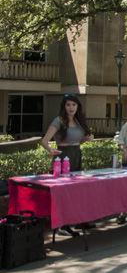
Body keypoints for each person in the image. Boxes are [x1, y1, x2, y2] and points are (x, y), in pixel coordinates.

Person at [41, 94, 94, 237]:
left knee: (77, 190)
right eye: (68, 105)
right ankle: (62, 225)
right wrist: (51, 150)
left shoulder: (79, 121)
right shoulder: (58, 121)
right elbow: (44, 141)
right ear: (64, 107)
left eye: (74, 105)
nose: (71, 108)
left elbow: (78, 141)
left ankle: (76, 221)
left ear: (78, 107)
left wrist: (86, 139)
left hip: (76, 155)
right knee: (64, 192)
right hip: (62, 157)